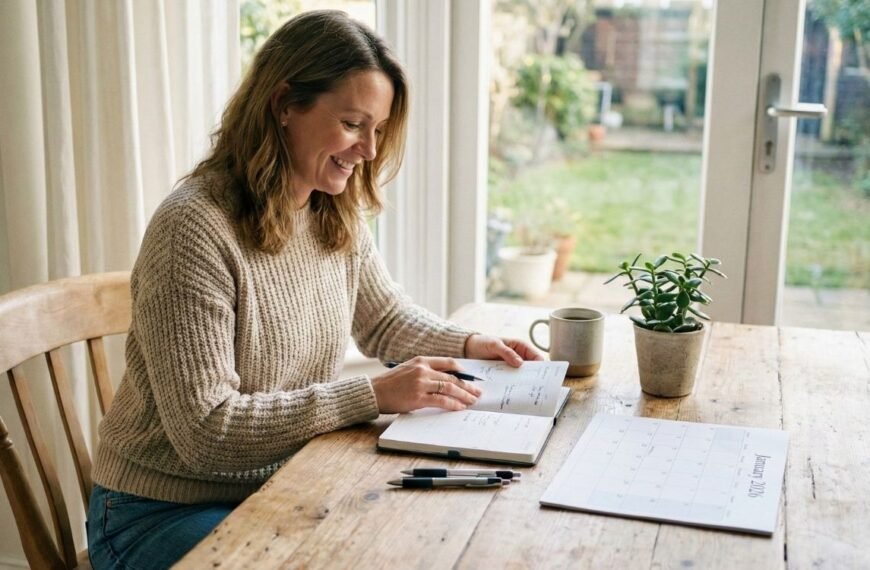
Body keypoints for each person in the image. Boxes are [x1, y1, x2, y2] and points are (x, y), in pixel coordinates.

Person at [86, 10, 541, 569]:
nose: (369, 150)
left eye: (378, 129)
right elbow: (207, 431)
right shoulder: (194, 228)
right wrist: (372, 395)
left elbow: (384, 318)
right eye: (353, 124)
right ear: (284, 105)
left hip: (280, 482)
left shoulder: (331, 210)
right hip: (160, 511)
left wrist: (469, 345)